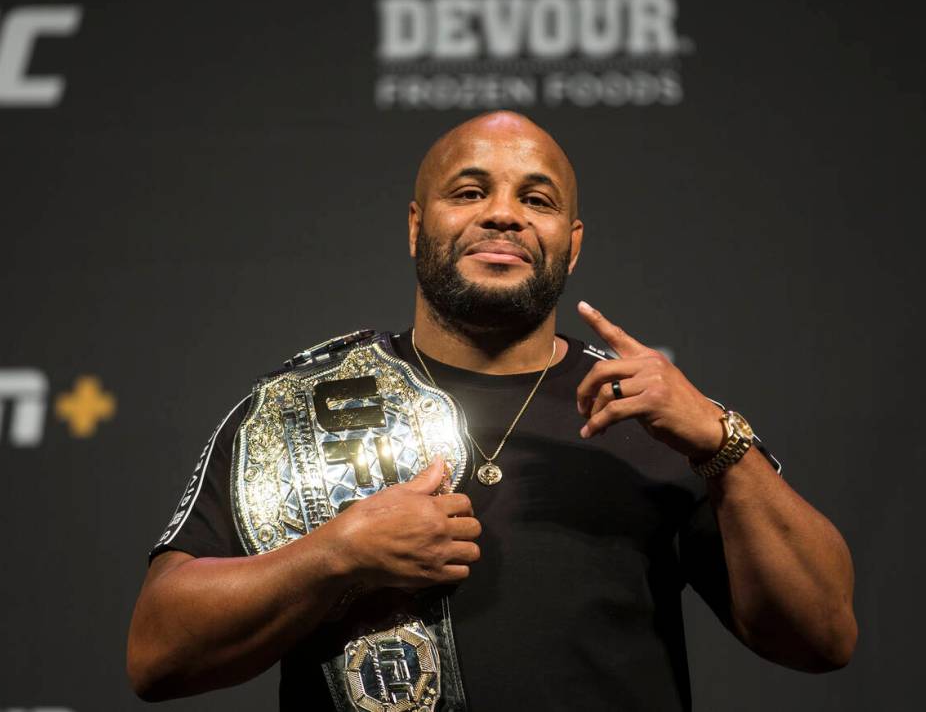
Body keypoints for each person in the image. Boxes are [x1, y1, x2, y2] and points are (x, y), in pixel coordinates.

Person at [127, 111, 857, 710]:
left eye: (536, 200)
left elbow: (824, 635)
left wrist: (723, 445)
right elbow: (157, 651)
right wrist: (334, 553)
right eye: (469, 191)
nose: (503, 214)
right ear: (417, 226)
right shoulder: (299, 407)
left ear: (570, 248)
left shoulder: (650, 416)